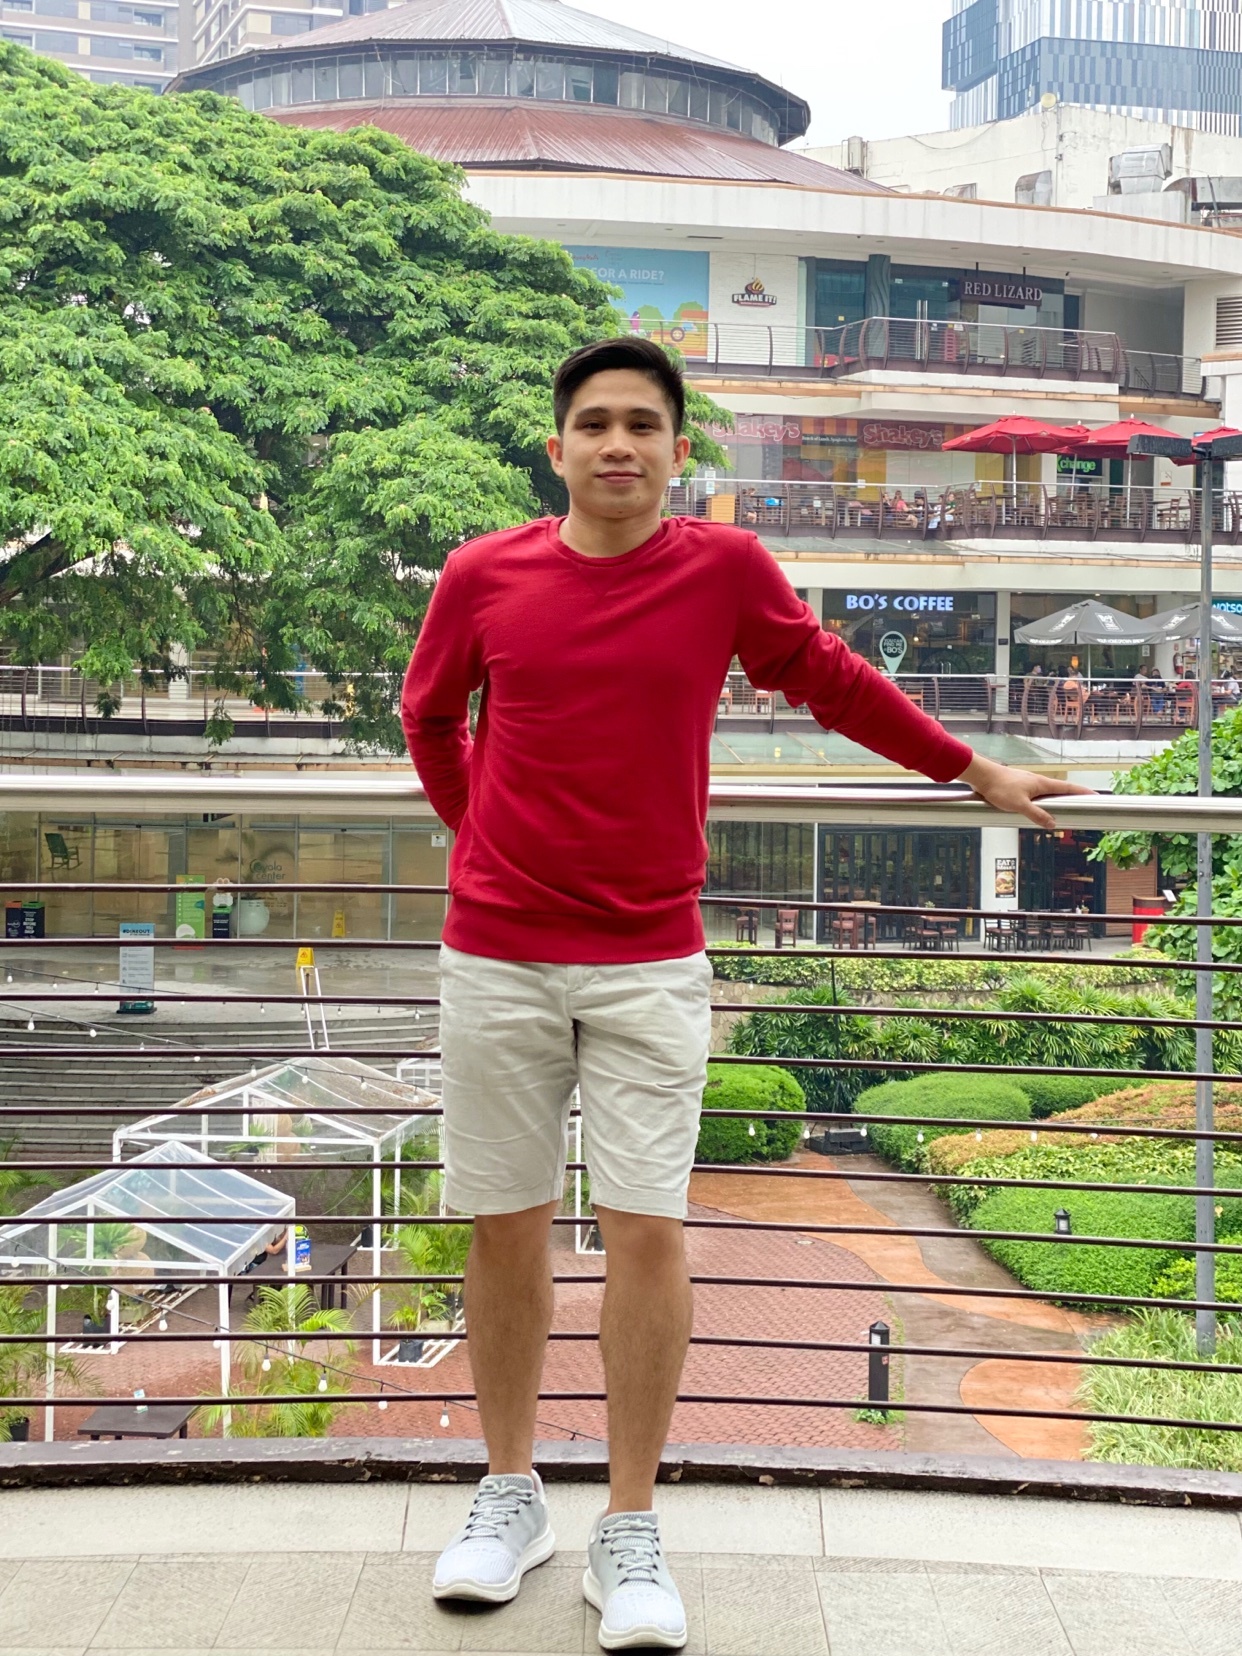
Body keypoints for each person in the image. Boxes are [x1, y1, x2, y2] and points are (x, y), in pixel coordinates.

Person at [400, 336, 1088, 1651]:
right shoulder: (483, 574)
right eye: (592, 423)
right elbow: (430, 716)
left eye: (640, 425)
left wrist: (969, 772)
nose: (616, 444)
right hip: (495, 949)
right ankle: (506, 1495)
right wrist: (478, 830)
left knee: (648, 1226)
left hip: (651, 955)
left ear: (673, 451)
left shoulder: (721, 571)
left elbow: (824, 679)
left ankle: (631, 1527)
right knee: (506, 1226)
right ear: (556, 450)